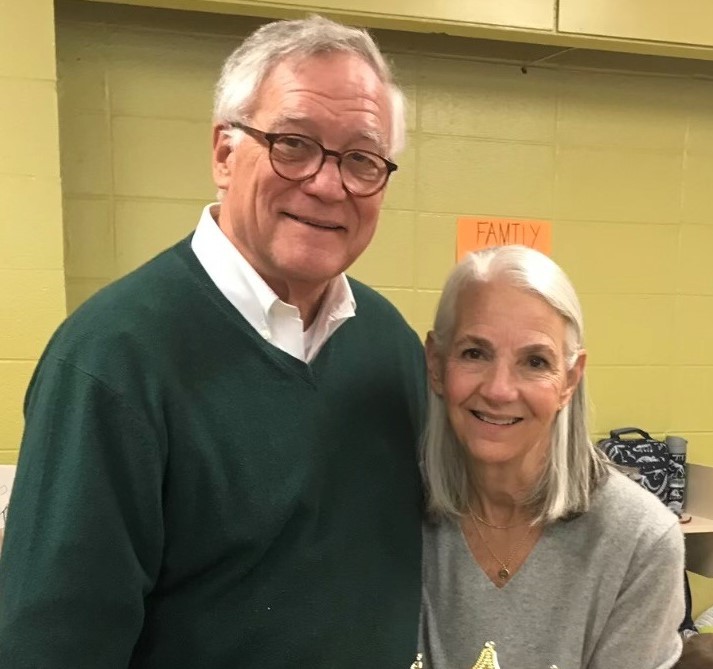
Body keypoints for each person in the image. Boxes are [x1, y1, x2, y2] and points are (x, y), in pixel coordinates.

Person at [0, 16, 426, 668]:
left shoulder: (390, 347)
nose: (327, 183)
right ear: (224, 153)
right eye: (293, 144)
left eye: (362, 159)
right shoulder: (113, 360)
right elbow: (52, 648)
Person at [418, 245, 685, 668]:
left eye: (535, 361)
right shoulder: (385, 514)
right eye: (475, 353)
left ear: (570, 380)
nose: (499, 390)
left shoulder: (640, 542)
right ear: (436, 364)